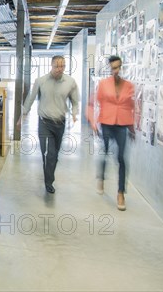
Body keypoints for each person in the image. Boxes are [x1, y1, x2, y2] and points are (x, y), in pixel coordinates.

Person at [21, 55, 79, 194]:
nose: (60, 69)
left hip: (60, 123)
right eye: (57, 66)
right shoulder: (41, 81)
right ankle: (49, 182)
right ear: (51, 66)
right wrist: (23, 115)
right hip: (44, 122)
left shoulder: (70, 82)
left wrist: (74, 113)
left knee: (54, 154)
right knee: (47, 153)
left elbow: (75, 100)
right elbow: (30, 98)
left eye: (63, 66)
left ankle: (49, 176)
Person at [88, 55, 134, 211]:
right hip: (106, 123)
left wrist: (133, 127)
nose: (116, 71)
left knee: (121, 158)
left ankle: (121, 192)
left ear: (121, 67)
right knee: (104, 153)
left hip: (122, 125)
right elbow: (91, 103)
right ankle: (101, 177)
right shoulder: (103, 84)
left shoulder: (128, 86)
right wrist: (93, 123)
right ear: (109, 68)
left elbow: (133, 106)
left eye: (118, 67)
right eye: (113, 68)